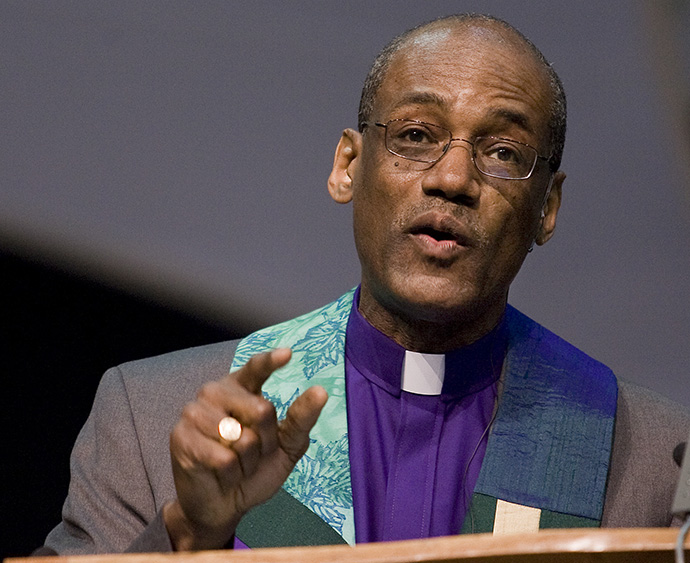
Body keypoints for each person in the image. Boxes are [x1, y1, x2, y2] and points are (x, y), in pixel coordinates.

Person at [40, 14, 690, 555]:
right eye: (415, 135)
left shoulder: (654, 454)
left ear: (546, 206)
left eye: (503, 153)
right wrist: (193, 530)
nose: (453, 177)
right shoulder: (149, 416)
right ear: (348, 165)